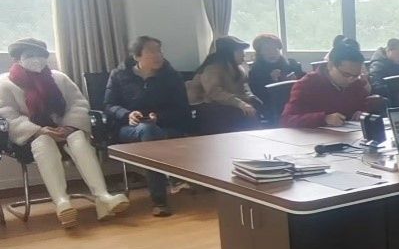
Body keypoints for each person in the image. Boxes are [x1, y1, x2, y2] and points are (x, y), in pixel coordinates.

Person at [0, 38, 130, 227]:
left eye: (40, 55)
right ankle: (62, 202)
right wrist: (38, 130)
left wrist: (70, 126)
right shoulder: (5, 84)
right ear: (17, 59)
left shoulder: (59, 78)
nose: (36, 59)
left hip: (65, 130)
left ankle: (103, 197)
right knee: (43, 142)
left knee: (79, 138)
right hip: (31, 138)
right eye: (30, 56)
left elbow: (78, 104)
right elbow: (8, 115)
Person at [104, 36, 193, 217]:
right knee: (148, 130)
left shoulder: (172, 76)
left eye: (159, 50)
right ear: (137, 56)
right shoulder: (119, 75)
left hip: (166, 127)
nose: (158, 55)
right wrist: (127, 114)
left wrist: (158, 116)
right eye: (151, 51)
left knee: (151, 131)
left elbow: (182, 108)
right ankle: (167, 187)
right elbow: (109, 105)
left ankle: (160, 199)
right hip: (129, 129)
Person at [281, 38, 380, 128]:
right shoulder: (307, 84)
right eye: (346, 75)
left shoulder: (356, 83)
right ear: (330, 66)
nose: (351, 79)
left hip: (347, 136)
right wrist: (324, 119)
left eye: (356, 75)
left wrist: (362, 113)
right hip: (314, 138)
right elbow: (287, 120)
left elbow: (362, 105)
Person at [189, 36, 260, 135]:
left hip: (229, 105)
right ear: (229, 52)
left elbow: (243, 88)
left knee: (255, 107)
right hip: (210, 108)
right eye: (240, 51)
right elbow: (215, 93)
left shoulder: (238, 69)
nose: (243, 55)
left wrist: (250, 97)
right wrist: (240, 104)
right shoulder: (212, 68)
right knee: (238, 115)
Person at [247, 34, 304, 99]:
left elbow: (306, 84)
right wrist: (273, 81)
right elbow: (260, 95)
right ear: (259, 52)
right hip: (273, 103)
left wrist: (296, 80)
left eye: (274, 49)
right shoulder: (256, 71)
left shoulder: (292, 64)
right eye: (267, 49)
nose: (272, 52)